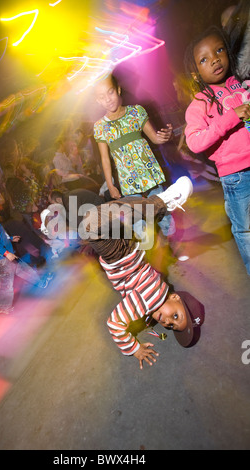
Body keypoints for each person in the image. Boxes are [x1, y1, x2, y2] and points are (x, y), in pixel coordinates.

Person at [80, 176, 204, 370]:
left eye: (170, 326)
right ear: (175, 298)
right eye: (176, 317)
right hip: (121, 255)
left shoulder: (154, 296)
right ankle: (163, 202)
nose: (167, 321)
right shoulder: (148, 301)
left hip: (128, 251)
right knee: (91, 222)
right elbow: (114, 324)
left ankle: (160, 202)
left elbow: (151, 271)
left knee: (109, 211)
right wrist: (134, 348)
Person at [94, 73, 187, 261]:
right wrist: (111, 185)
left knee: (163, 211)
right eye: (101, 96)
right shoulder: (100, 127)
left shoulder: (136, 111)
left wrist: (165, 136)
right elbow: (105, 159)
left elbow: (154, 137)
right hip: (128, 180)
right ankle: (150, 257)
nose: (107, 99)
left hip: (149, 173)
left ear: (118, 90)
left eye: (110, 92)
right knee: (137, 219)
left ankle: (173, 245)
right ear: (97, 100)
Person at [184, 25, 250, 275]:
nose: (214, 59)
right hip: (236, 176)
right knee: (246, 230)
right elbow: (195, 141)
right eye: (204, 59)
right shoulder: (199, 103)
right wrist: (230, 118)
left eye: (219, 50)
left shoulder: (242, 85)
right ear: (195, 72)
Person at [0, 199, 52, 314]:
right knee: (6, 285)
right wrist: (6, 253)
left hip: (7, 257)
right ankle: (1, 307)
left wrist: (10, 238)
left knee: (25, 270)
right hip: (2, 260)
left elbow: (1, 239)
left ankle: (40, 282)